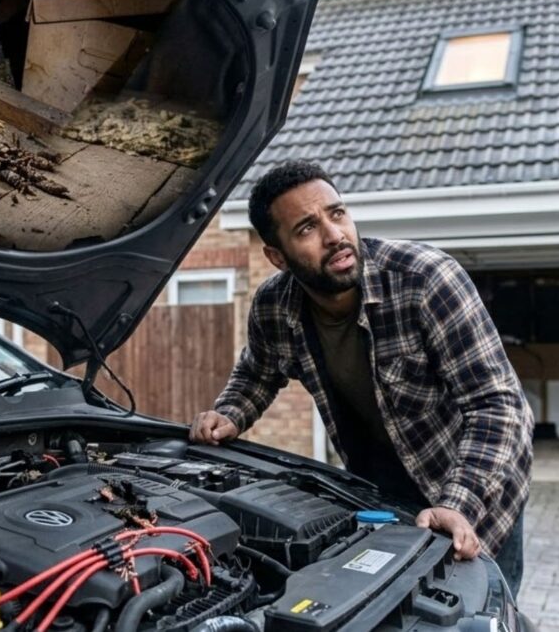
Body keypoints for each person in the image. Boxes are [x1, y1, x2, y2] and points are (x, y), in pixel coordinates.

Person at [189, 160, 533, 594]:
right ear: (277, 257)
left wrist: (456, 502)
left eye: (337, 213)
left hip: (476, 489)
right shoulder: (274, 305)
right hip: (381, 494)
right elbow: (258, 371)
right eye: (306, 229)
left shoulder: (425, 280)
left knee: (479, 609)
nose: (334, 236)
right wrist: (230, 414)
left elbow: (499, 406)